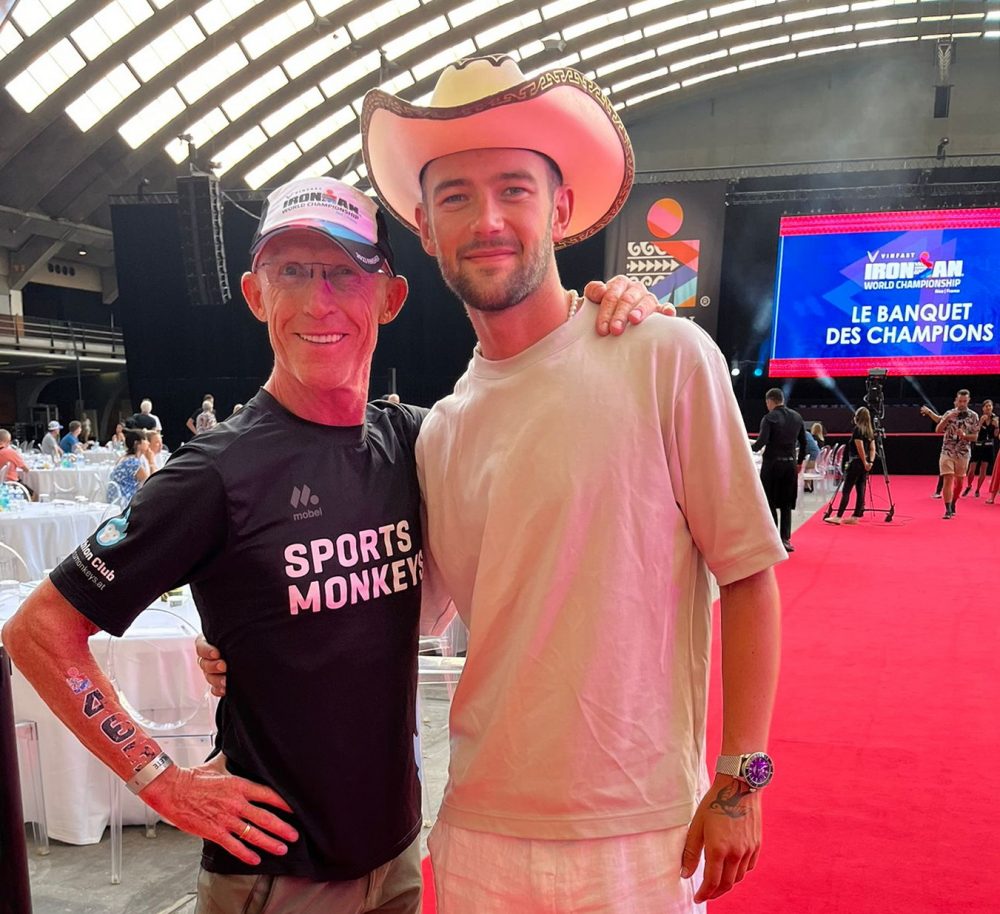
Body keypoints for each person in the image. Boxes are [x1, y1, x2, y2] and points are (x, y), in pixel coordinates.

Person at [5, 170, 658, 914]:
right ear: (256, 295)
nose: (319, 302)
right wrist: (160, 779)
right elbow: (39, 631)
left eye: (345, 274)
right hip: (278, 879)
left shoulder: (416, 442)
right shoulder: (214, 473)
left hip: (398, 855)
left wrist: (614, 328)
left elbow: (545, 420)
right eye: (292, 272)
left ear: (389, 297)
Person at [360, 55, 784, 912]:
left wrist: (742, 778)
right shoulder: (441, 432)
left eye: (513, 190)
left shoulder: (665, 357)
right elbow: (399, 615)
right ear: (425, 227)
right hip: (479, 833)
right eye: (456, 197)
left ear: (558, 209)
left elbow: (747, 573)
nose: (488, 219)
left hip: (641, 836)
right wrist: (252, 645)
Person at [751, 388, 806, 552]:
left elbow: (761, 442)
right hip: (790, 465)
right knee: (786, 504)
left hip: (772, 465)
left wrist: (747, 447)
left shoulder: (769, 418)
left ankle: (773, 537)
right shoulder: (797, 417)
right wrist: (799, 462)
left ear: (770, 401)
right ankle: (785, 539)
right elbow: (803, 443)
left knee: (770, 502)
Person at [824, 407, 875, 525]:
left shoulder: (858, 430)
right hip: (865, 465)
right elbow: (872, 449)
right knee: (860, 489)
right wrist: (870, 462)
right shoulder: (870, 432)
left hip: (856, 463)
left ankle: (838, 516)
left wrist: (864, 461)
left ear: (857, 417)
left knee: (846, 490)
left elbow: (860, 447)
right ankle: (856, 516)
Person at [934, 389, 979, 520]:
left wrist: (964, 436)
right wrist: (946, 419)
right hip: (947, 450)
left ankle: (953, 501)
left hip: (963, 453)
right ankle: (947, 509)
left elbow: (975, 437)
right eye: (960, 401)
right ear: (956, 401)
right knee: (948, 478)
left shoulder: (974, 416)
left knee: (959, 482)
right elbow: (938, 430)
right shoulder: (949, 413)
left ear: (968, 401)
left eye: (964, 401)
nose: (962, 404)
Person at [963, 399, 997, 498]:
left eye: (990, 406)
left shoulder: (995, 419)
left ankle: (978, 489)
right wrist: (981, 422)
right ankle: (969, 485)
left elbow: (996, 435)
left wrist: (997, 427)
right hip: (978, 446)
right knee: (971, 469)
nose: (988, 408)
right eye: (986, 406)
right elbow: (974, 430)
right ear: (983, 408)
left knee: (983, 469)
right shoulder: (978, 418)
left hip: (988, 447)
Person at [107, 428, 151, 504]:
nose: (148, 443)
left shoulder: (124, 458)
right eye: (145, 440)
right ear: (137, 443)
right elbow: (149, 483)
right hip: (125, 501)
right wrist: (151, 461)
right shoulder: (133, 462)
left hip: (115, 499)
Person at [0, 428, 32, 496]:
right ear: (8, 441)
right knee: (34, 492)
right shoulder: (10, 452)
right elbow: (26, 469)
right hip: (11, 483)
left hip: (2, 484)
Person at [802, 426, 820, 493]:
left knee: (794, 466)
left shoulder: (802, 435)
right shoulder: (807, 433)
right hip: (818, 459)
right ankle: (807, 485)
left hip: (813, 461)